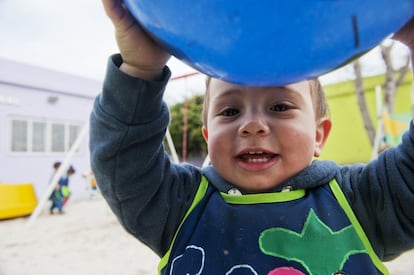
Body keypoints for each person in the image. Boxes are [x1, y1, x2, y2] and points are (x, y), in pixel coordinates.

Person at [90, 1, 414, 273]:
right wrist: (140, 70)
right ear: (207, 136)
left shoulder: (362, 202)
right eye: (230, 112)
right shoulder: (181, 206)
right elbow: (125, 166)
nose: (253, 126)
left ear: (318, 135)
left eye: (280, 106)